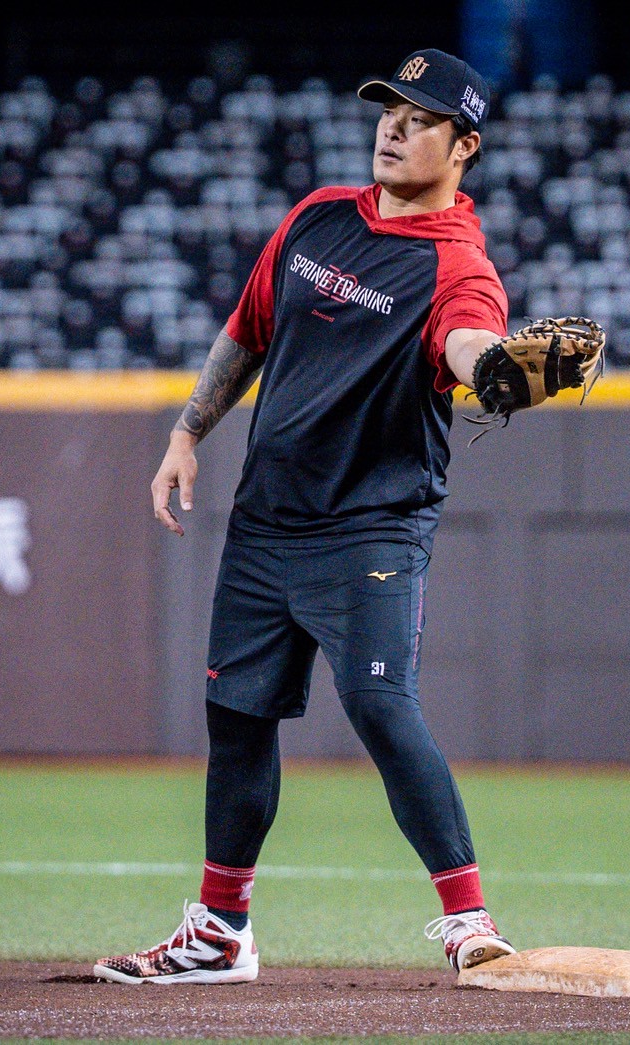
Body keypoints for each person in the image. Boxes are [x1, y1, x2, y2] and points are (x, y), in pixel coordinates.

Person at [95, 48, 514, 985]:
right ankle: (219, 930)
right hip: (265, 521)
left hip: (369, 527)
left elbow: (469, 340)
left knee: (378, 702)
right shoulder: (316, 217)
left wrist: (491, 366)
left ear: (464, 146)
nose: (393, 126)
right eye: (389, 108)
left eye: (419, 116)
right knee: (236, 715)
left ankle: (469, 921)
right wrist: (187, 430)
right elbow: (248, 330)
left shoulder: (456, 263)